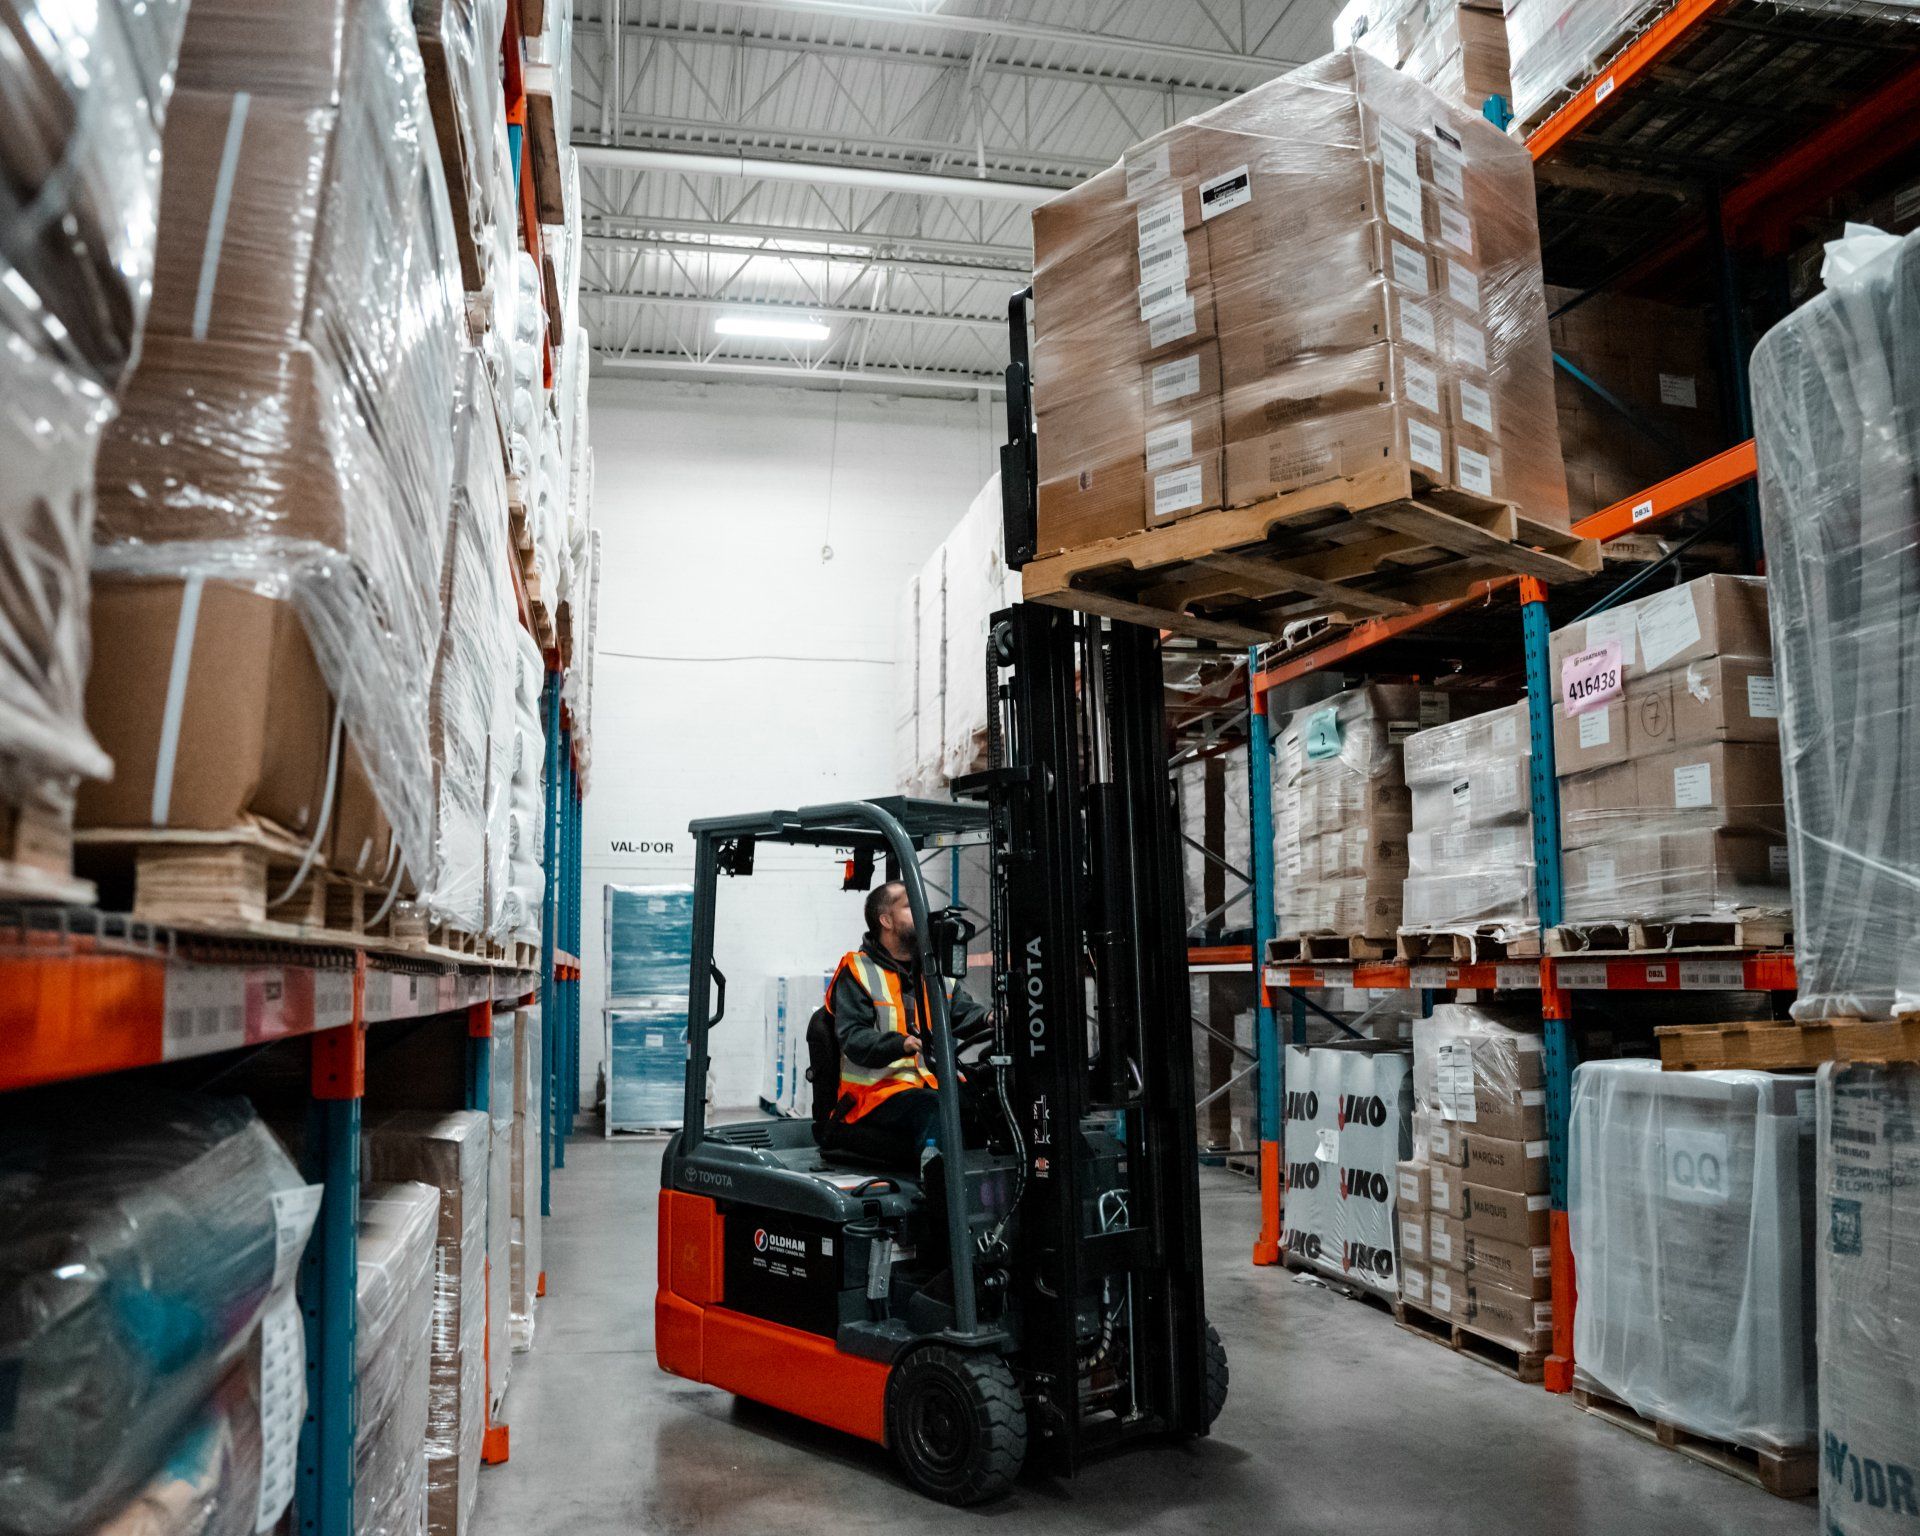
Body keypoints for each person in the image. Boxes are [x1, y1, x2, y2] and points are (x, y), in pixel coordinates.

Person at [821, 880, 988, 1168]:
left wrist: (988, 1017)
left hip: (928, 1084)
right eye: (910, 906)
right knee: (936, 1109)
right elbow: (854, 1038)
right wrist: (903, 1043)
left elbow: (958, 1010)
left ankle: (985, 1194)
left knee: (989, 1100)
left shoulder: (933, 970)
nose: (922, 911)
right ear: (886, 920)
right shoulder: (858, 972)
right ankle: (940, 1195)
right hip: (875, 1095)